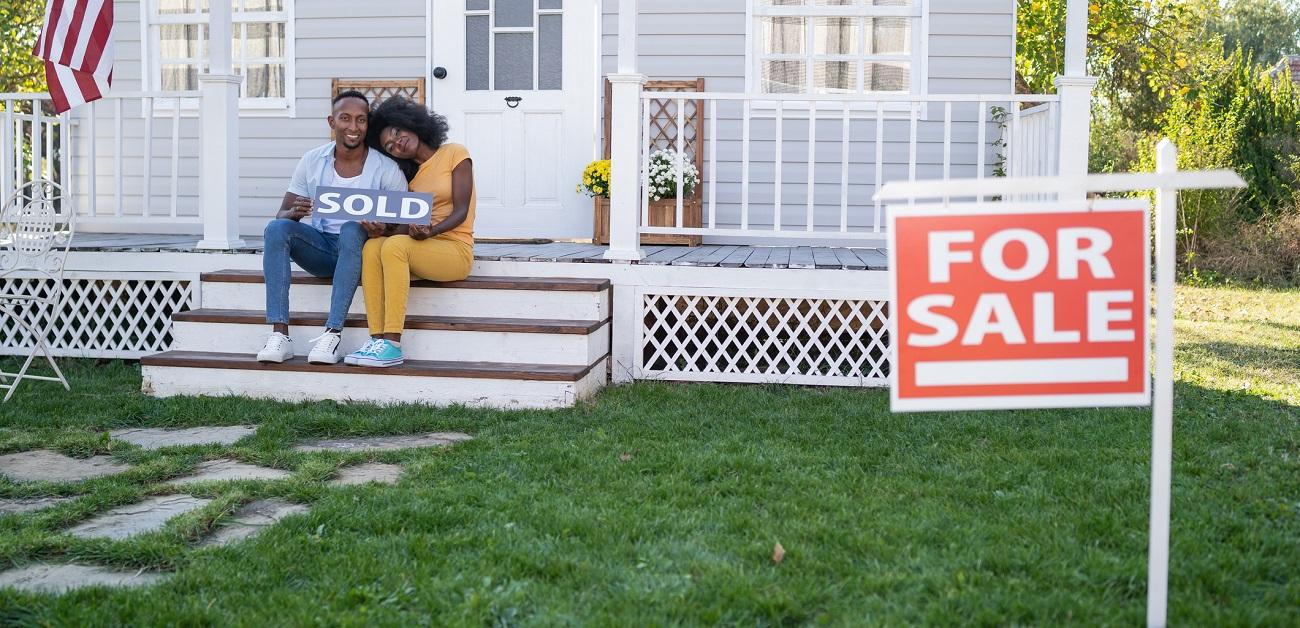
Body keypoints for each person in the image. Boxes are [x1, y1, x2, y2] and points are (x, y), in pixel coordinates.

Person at [256, 90, 408, 364]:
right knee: (275, 228)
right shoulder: (313, 160)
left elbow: (403, 227)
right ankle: (280, 334)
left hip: (360, 250)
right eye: (345, 118)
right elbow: (282, 213)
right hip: (322, 248)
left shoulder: (386, 169)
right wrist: (294, 212)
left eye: (361, 120)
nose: (353, 127)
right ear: (331, 122)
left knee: (351, 229)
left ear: (367, 124)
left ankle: (332, 334)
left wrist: (381, 229)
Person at [344, 97, 476, 367]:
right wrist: (380, 229)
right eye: (390, 146)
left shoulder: (455, 153)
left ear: (409, 123)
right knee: (373, 246)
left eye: (396, 132)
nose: (397, 143)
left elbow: (461, 210)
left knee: (394, 247)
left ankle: (392, 344)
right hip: (424, 249)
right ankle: (376, 339)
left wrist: (431, 231)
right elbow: (405, 227)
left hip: (455, 250)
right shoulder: (410, 181)